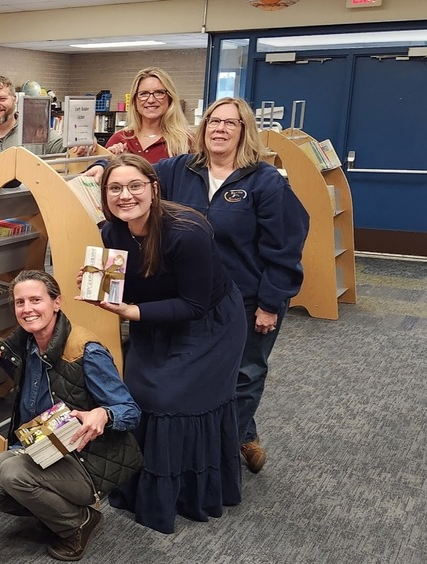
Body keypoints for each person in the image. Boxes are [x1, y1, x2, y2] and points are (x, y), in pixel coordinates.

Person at [80, 153, 246, 534]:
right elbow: (127, 286)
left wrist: (130, 312)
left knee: (173, 398)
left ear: (154, 189)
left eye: (135, 186)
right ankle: (136, 485)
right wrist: (96, 286)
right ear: (104, 195)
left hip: (209, 324)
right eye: (115, 188)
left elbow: (194, 304)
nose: (126, 196)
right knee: (138, 393)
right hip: (154, 318)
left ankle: (188, 493)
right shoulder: (111, 233)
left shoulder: (188, 230)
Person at [153, 97, 309, 474]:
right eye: (213, 122)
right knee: (201, 371)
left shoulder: (264, 181)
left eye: (231, 124)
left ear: (244, 132)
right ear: (202, 128)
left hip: (248, 297)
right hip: (192, 296)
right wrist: (96, 166)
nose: (220, 129)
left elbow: (286, 247)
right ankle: (243, 436)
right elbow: (131, 173)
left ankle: (220, 457)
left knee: (244, 373)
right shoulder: (178, 170)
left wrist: (271, 303)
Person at [0, 270, 141, 562]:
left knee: (13, 475)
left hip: (85, 461)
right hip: (38, 447)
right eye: (20, 302)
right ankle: (53, 508)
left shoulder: (86, 350)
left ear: (57, 302)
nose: (27, 309)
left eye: (36, 300)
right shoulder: (26, 340)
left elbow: (131, 411)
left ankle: (80, 523)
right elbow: (13, 340)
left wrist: (103, 413)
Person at [0, 75, 90, 159]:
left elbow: (70, 147)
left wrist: (84, 141)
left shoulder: (39, 133)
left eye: (1, 99)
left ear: (15, 100)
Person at [105, 67, 193, 164]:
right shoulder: (119, 139)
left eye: (159, 93)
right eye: (144, 94)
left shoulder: (187, 141)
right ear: (134, 101)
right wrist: (113, 161)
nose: (151, 100)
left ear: (170, 98)